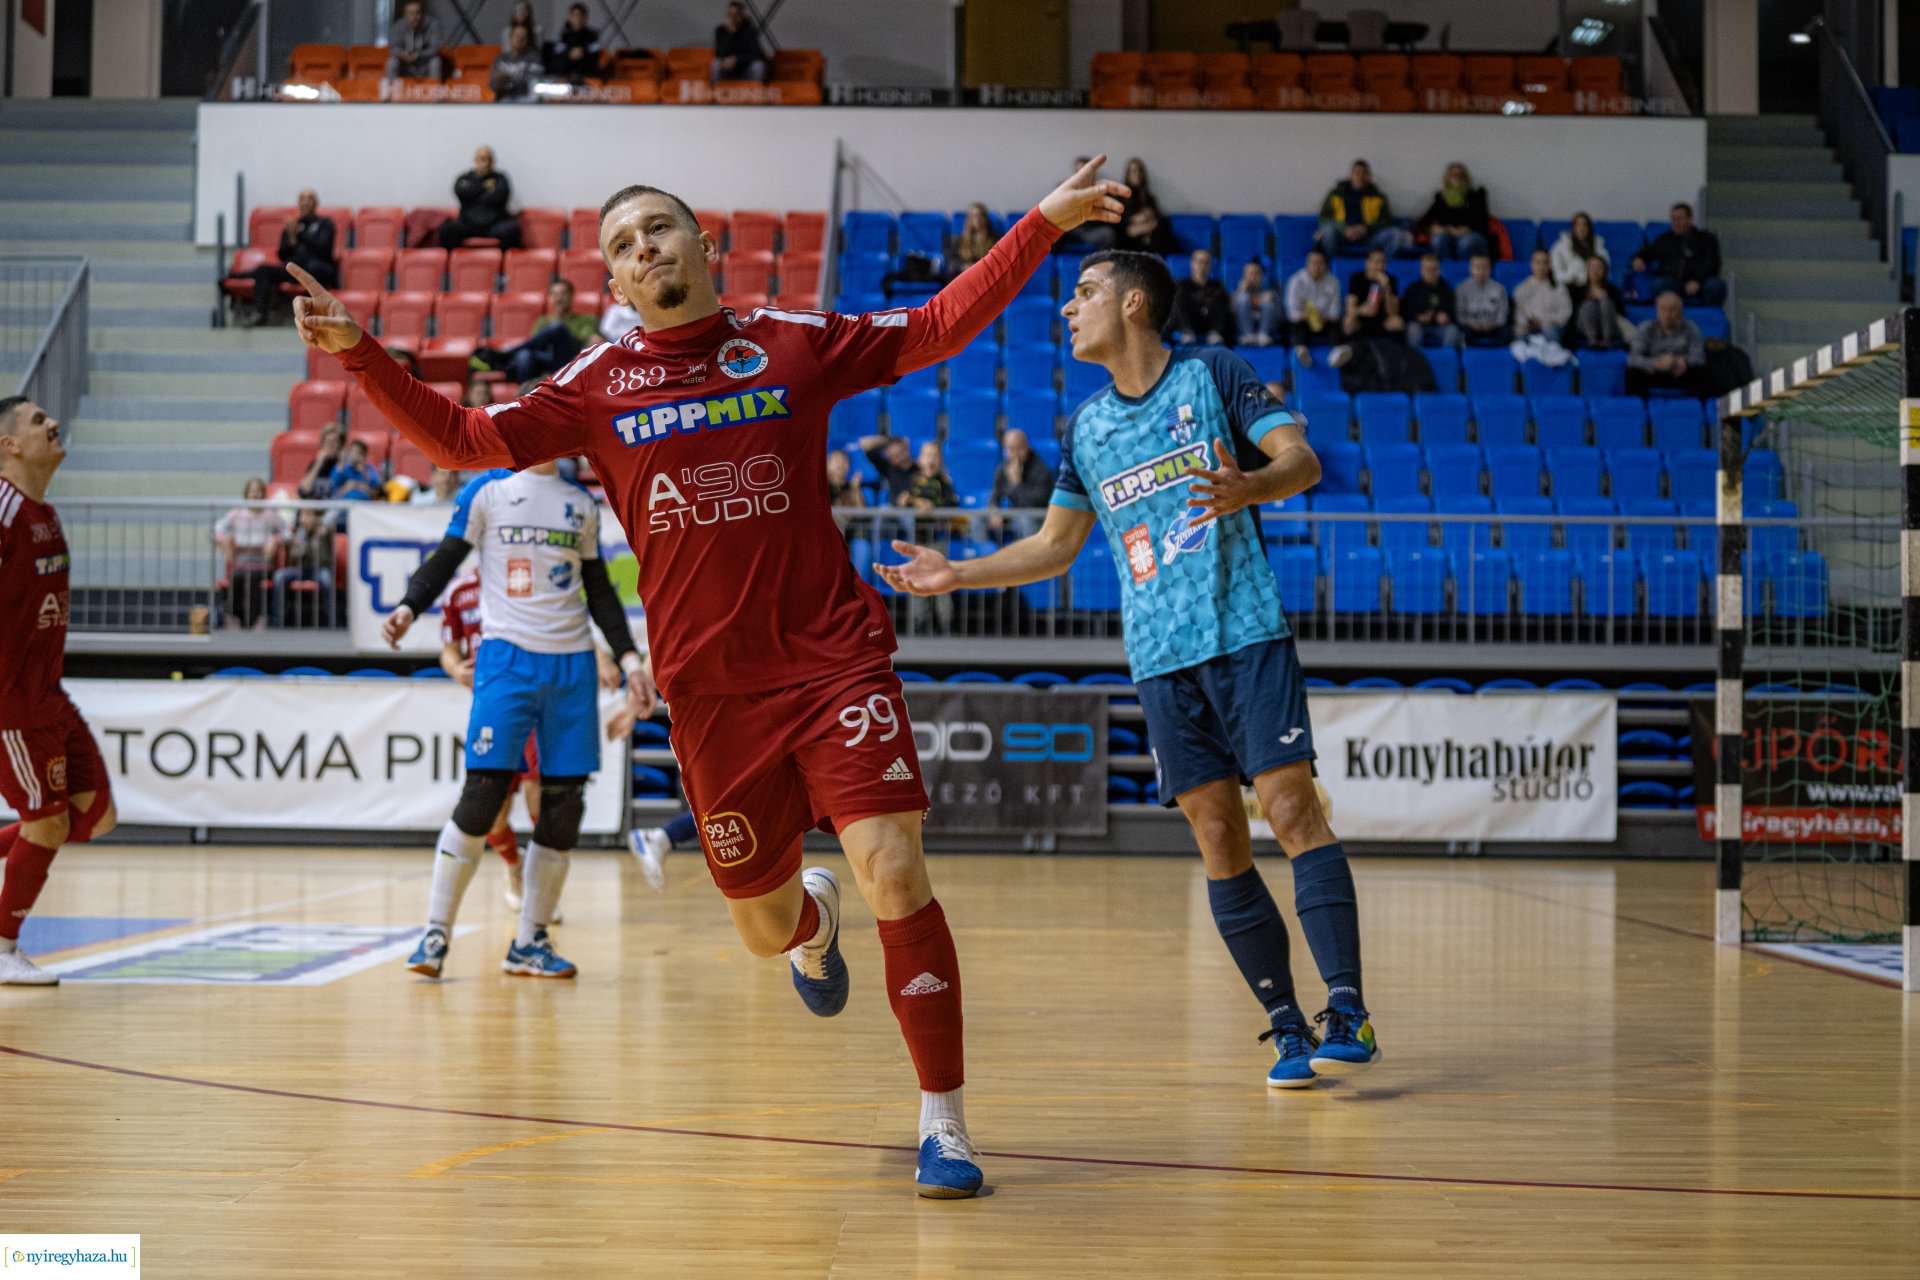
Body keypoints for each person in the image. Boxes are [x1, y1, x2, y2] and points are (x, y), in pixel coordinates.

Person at [288, 155, 1128, 1199]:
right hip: (710, 694)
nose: (645, 248)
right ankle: (812, 926)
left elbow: (938, 326)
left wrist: (1041, 222)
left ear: (706, 245)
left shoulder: (791, 343)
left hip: (832, 660)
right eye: (624, 245)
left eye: (660, 229)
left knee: (895, 868)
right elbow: (464, 438)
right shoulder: (596, 383)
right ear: (615, 282)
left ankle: (945, 1123)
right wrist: (360, 352)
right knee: (764, 926)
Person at [877, 250, 1379, 1090]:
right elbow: (1054, 546)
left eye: (1085, 293)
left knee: (1292, 809)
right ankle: (1287, 1024)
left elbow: (1302, 462)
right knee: (1217, 836)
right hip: (1158, 658)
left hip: (1246, 632)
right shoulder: (1086, 428)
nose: (1068, 309)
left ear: (1135, 303)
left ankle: (1348, 1007)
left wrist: (1250, 486)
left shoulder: (1213, 374)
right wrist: (956, 572)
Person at [385, 463, 648, 980]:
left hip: (572, 665)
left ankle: (529, 941)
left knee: (564, 806)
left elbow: (599, 590)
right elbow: (446, 557)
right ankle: (435, 932)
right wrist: (409, 607)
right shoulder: (486, 491)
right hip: (506, 660)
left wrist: (630, 659)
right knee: (482, 796)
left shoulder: (581, 502)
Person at [0, 397, 119, 985]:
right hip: (12, 704)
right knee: (46, 823)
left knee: (95, 815)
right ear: (9, 446)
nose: (52, 423)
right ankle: (2, 949)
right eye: (36, 420)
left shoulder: (41, 512)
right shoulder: (2, 510)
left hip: (49, 694)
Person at [472, 280, 598, 384]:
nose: (558, 298)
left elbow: (585, 342)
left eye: (563, 294)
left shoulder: (586, 320)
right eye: (555, 294)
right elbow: (536, 347)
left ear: (571, 296)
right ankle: (526, 398)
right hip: (549, 360)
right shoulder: (543, 321)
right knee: (524, 355)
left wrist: (556, 332)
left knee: (558, 329)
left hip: (570, 359)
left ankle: (508, 355)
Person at [247, 189, 336, 327]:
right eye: (302, 199)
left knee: (312, 266)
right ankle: (259, 313)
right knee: (263, 270)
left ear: (316, 203)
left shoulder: (325, 224)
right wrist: (292, 238)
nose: (306, 202)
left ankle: (316, 316)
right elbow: (282, 255)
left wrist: (300, 234)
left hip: (318, 269)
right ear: (298, 203)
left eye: (310, 198)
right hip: (296, 270)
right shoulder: (292, 227)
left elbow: (324, 249)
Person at [214, 477, 282, 628]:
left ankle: (258, 619)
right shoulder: (237, 513)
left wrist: (274, 540)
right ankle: (231, 616)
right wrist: (223, 542)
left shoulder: (270, 514)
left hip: (262, 563)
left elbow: (287, 532)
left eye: (258, 491)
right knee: (237, 577)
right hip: (241, 563)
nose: (255, 495)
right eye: (252, 491)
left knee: (252, 578)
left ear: (263, 494)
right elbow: (217, 529)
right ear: (246, 494)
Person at [1633, 203, 1725, 307]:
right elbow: (1647, 252)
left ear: (1690, 219)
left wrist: (1697, 281)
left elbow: (1712, 263)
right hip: (1673, 282)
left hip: (1701, 282)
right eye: (1673, 219)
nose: (1675, 222)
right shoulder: (1665, 239)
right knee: (1658, 285)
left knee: (1716, 286)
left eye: (1679, 219)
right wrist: (1639, 258)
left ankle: (1707, 314)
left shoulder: (1706, 238)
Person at [1316, 159, 1409, 259]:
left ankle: (1380, 265)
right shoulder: (1335, 194)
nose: (1360, 176)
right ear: (1350, 175)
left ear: (1369, 177)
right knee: (1327, 231)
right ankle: (1331, 264)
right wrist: (1344, 228)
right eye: (1357, 173)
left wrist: (1366, 228)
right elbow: (1324, 219)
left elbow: (1385, 221)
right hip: (1342, 236)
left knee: (1395, 234)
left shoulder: (1379, 197)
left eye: (1364, 173)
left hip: (1370, 236)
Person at [1330, 246, 1403, 367]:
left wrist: (1386, 288)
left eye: (1382, 262)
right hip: (1362, 320)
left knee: (1398, 322)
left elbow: (1393, 312)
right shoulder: (1357, 278)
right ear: (1368, 263)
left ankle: (1399, 357)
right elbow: (1350, 308)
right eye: (1376, 262)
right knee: (1348, 321)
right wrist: (1361, 310)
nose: (1379, 266)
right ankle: (1345, 352)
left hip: (1381, 321)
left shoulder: (1390, 280)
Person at [1626, 291, 1709, 397]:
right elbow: (1632, 358)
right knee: (1632, 373)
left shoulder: (1691, 328)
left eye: (1672, 309)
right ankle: (1639, 406)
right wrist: (1655, 364)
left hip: (1681, 371)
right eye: (1663, 309)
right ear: (1657, 310)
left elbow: (1699, 356)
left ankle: (1695, 405)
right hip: (1654, 371)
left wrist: (1685, 362)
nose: (1668, 314)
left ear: (1680, 311)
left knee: (1702, 373)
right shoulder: (1645, 328)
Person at [440, 146, 521, 250]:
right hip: (468, 224)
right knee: (447, 230)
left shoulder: (500, 178)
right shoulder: (464, 178)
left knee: (512, 230)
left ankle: (502, 259)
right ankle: (455, 259)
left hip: (495, 224)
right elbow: (461, 192)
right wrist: (485, 186)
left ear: (493, 161)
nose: (485, 162)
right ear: (475, 160)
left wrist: (473, 192)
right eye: (482, 158)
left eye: (488, 159)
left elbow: (497, 197)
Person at [270, 506, 336, 627]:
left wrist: (318, 532)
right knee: (279, 576)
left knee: (326, 579)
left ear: (315, 517)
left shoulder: (323, 530)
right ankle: (277, 622)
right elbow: (294, 556)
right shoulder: (300, 533)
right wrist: (300, 545)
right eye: (303, 515)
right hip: (300, 569)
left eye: (308, 515)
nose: (304, 519)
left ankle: (333, 622)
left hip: (319, 569)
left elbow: (330, 522)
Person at [1415, 161, 1490, 260]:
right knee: (1438, 240)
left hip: (1471, 234)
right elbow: (1423, 222)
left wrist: (1466, 229)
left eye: (1461, 175)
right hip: (1448, 234)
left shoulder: (1476, 196)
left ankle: (1466, 268)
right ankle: (1448, 268)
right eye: (1454, 175)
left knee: (1465, 242)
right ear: (1447, 178)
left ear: (1466, 178)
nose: (1457, 178)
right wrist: (1433, 228)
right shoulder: (1441, 198)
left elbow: (1483, 222)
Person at [986, 428, 1054, 539]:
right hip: (1013, 515)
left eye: (1019, 448)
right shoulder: (1003, 469)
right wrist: (994, 511)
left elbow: (1036, 504)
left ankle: (1029, 551)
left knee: (1026, 521)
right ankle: (982, 549)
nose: (1015, 454)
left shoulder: (1042, 471)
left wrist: (1017, 483)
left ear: (1027, 447)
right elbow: (994, 497)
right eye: (1010, 449)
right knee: (978, 519)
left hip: (1037, 518)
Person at [1284, 248, 1342, 366]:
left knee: (1337, 325)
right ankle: (1301, 350)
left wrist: (1322, 318)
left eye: (1320, 263)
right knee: (1296, 325)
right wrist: (1306, 316)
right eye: (1313, 263)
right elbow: (1291, 312)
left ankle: (1337, 353)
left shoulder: (1333, 282)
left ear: (1326, 266)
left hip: (1324, 321)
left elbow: (1335, 312)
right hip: (1303, 320)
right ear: (1307, 264)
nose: (1316, 267)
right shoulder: (1296, 281)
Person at [1169, 248, 1235, 347]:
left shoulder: (1217, 286)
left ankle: (1215, 332)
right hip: (1189, 325)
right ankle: (1187, 332)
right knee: (1179, 294)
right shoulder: (1182, 285)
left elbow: (1224, 310)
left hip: (1211, 325)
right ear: (1192, 264)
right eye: (1200, 262)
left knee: (1219, 295)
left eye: (1206, 263)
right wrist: (1186, 328)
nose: (1202, 266)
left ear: (1210, 266)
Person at [1114, 157, 1177, 256]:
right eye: (1134, 171)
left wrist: (1148, 220)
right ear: (1128, 174)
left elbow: (1159, 221)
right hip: (1130, 239)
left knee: (1165, 226)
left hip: (1151, 236)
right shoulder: (1121, 197)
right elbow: (1123, 228)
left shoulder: (1149, 198)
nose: (1137, 174)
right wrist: (1136, 219)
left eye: (1140, 171)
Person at [1511, 248, 1571, 345]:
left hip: (1551, 327)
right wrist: (1526, 322)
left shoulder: (1559, 288)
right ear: (1532, 265)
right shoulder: (1521, 288)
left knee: (1549, 331)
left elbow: (1565, 313)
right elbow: (1519, 313)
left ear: (1550, 265)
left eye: (1545, 263)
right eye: (1538, 263)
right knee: (1519, 332)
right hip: (1529, 327)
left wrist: (1544, 321)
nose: (1541, 266)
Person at [1398, 252, 1458, 350]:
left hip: (1440, 326)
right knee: (1413, 328)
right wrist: (1418, 317)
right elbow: (1406, 311)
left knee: (1452, 330)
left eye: (1434, 269)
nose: (1431, 273)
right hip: (1419, 325)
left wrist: (1447, 316)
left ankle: (1446, 357)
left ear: (1439, 270)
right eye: (1428, 269)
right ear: (1422, 270)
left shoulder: (1446, 288)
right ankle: (1416, 357)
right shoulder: (1413, 288)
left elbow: (1453, 309)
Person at [1569, 255, 1628, 351]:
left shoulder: (1612, 290)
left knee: (1606, 302)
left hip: (1609, 327)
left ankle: (1607, 340)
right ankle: (1592, 340)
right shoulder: (1578, 290)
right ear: (1587, 270)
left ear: (1605, 271)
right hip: (1584, 328)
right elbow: (1573, 315)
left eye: (1599, 267)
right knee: (1588, 305)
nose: (1595, 271)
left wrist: (1605, 297)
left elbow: (1621, 314)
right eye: (1592, 267)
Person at [1453, 253, 1510, 347]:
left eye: (1485, 267)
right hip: (1471, 326)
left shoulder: (1499, 289)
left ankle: (1498, 355)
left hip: (1493, 326)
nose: (1481, 271)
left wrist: (1492, 324)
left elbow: (1503, 314)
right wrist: (1471, 323)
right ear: (1471, 269)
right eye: (1477, 267)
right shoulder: (1461, 289)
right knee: (1462, 332)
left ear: (1490, 269)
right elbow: (1459, 315)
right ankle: (1471, 354)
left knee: (1506, 332)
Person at [385, 0, 443, 79]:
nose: (414, 17)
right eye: (411, 13)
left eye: (417, 12)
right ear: (405, 15)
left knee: (435, 61)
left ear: (423, 13)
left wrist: (418, 55)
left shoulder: (433, 25)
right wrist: (402, 53)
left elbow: (435, 48)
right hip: (406, 64)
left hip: (425, 63)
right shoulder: (399, 26)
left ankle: (434, 85)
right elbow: (393, 48)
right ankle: (392, 86)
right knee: (392, 62)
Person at [712, 1, 768, 82]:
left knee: (758, 66)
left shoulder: (749, 31)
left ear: (742, 16)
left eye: (736, 15)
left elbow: (757, 53)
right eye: (730, 15)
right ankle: (716, 89)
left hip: (745, 67)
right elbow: (719, 53)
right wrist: (730, 33)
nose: (733, 19)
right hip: (727, 68)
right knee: (716, 63)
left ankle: (756, 88)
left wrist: (736, 59)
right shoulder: (721, 30)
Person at [1230, 261, 1282, 348]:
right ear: (1245, 275)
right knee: (1243, 298)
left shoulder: (1270, 291)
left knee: (1268, 301)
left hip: (1266, 331)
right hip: (1242, 333)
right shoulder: (1237, 294)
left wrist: (1270, 298)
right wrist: (1241, 292)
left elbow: (1279, 316)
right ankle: (1248, 335)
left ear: (1261, 276)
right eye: (1250, 273)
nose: (1253, 277)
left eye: (1257, 273)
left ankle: (1264, 334)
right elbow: (1230, 313)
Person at [1550, 212, 1607, 289]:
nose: (1581, 228)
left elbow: (1605, 270)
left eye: (1584, 225)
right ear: (1572, 228)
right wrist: (1573, 279)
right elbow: (1556, 274)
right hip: (1569, 286)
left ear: (1590, 228)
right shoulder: (1560, 247)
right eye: (1577, 225)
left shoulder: (1598, 246)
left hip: (1593, 287)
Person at [858, 433, 919, 505]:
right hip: (895, 509)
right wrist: (888, 440)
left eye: (902, 452)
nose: (901, 458)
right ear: (890, 460)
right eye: (895, 457)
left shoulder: (921, 468)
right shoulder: (888, 469)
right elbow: (864, 443)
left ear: (907, 449)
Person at [548, 3, 602, 84]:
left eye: (581, 16)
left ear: (585, 18)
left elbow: (595, 51)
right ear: (570, 17)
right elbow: (557, 51)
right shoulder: (563, 35)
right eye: (575, 16)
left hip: (586, 73)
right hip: (565, 73)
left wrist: (583, 51)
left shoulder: (592, 35)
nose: (578, 19)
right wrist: (569, 52)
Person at [490, 24, 545, 102]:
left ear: (527, 40)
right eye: (517, 36)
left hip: (526, 98)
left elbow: (536, 81)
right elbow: (492, 85)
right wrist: (500, 80)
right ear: (510, 38)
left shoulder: (534, 58)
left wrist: (510, 78)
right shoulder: (501, 59)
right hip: (505, 98)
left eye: (523, 37)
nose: (520, 39)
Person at [946, 203, 999, 278]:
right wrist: (963, 266)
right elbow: (953, 260)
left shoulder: (994, 239)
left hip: (985, 275)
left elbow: (995, 262)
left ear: (985, 219)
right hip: (965, 276)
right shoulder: (959, 240)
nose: (978, 219)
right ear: (969, 219)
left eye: (981, 216)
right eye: (974, 216)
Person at [299, 424, 346, 499]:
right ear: (323, 444)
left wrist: (342, 464)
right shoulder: (317, 463)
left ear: (340, 445)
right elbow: (304, 490)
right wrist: (319, 462)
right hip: (317, 504)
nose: (330, 445)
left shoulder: (346, 465)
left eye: (334, 441)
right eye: (328, 441)